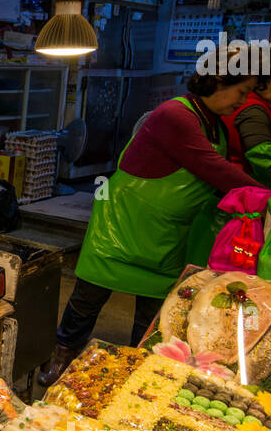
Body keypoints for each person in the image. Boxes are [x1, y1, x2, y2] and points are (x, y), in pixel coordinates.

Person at [36, 67, 259, 386]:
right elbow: (213, 169)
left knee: (154, 313)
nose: (244, 99)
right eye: (242, 90)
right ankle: (63, 357)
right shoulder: (175, 115)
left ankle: (137, 372)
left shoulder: (217, 127)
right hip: (122, 226)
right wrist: (269, 198)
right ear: (219, 81)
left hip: (167, 235)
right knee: (88, 297)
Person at [223, 72, 271, 185]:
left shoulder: (253, 104)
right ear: (266, 79)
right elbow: (260, 155)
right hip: (244, 185)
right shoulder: (253, 109)